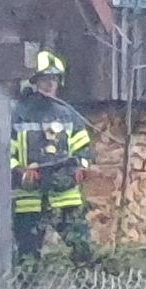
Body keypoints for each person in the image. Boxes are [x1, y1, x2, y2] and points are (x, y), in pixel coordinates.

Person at [10, 49, 96, 265]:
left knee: (81, 249)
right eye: (45, 79)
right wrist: (20, 174)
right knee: (28, 257)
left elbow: (83, 148)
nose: (50, 84)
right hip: (29, 199)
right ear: (35, 81)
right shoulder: (18, 113)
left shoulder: (68, 114)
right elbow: (5, 154)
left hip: (65, 195)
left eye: (54, 79)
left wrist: (80, 169)